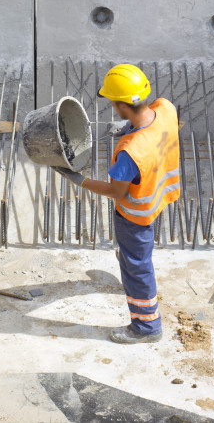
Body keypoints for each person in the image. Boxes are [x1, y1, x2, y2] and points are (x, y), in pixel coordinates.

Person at [54, 64, 180, 344]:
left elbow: (116, 191)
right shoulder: (167, 109)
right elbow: (155, 119)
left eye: (113, 103)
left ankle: (147, 328)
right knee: (133, 254)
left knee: (137, 266)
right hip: (158, 197)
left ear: (122, 106)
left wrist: (79, 180)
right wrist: (130, 126)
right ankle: (128, 258)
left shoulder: (130, 152)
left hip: (135, 215)